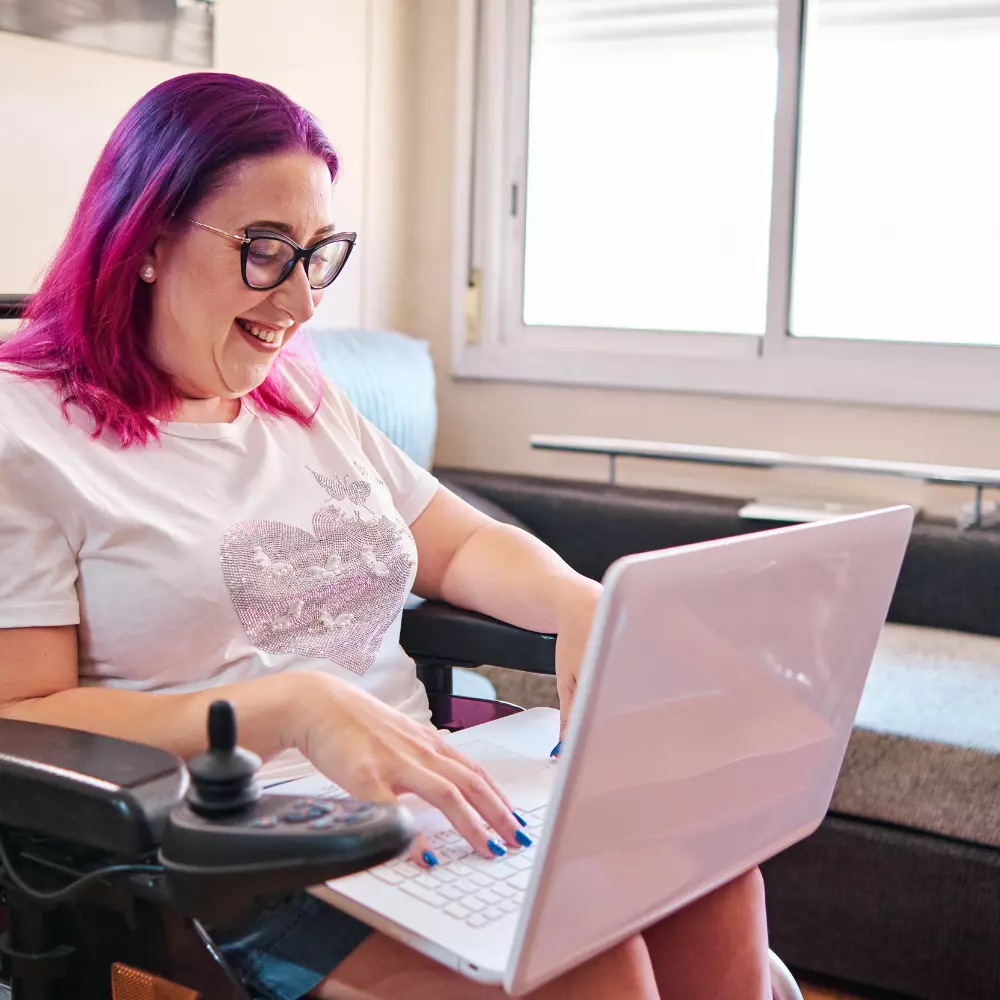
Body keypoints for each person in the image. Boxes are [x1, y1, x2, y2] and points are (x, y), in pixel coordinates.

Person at [0, 73, 770, 1000]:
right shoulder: (26, 432)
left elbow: (454, 545)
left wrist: (577, 601)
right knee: (589, 967)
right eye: (266, 250)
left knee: (712, 879)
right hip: (229, 847)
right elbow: (24, 712)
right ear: (149, 241)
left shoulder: (301, 398)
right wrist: (290, 707)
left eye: (318, 254)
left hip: (429, 794)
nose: (302, 302)